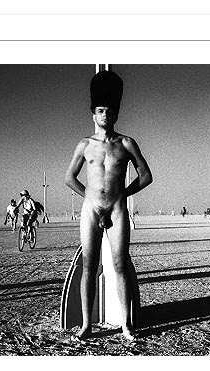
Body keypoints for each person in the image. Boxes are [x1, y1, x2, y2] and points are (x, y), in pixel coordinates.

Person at [64, 70, 152, 341]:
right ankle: (86, 325)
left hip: (117, 209)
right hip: (91, 211)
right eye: (101, 111)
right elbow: (69, 178)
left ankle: (126, 324)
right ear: (93, 114)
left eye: (110, 111)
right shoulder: (84, 144)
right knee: (89, 266)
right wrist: (89, 197)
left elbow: (146, 176)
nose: (105, 115)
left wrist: (123, 194)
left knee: (120, 264)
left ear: (116, 113)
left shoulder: (126, 143)